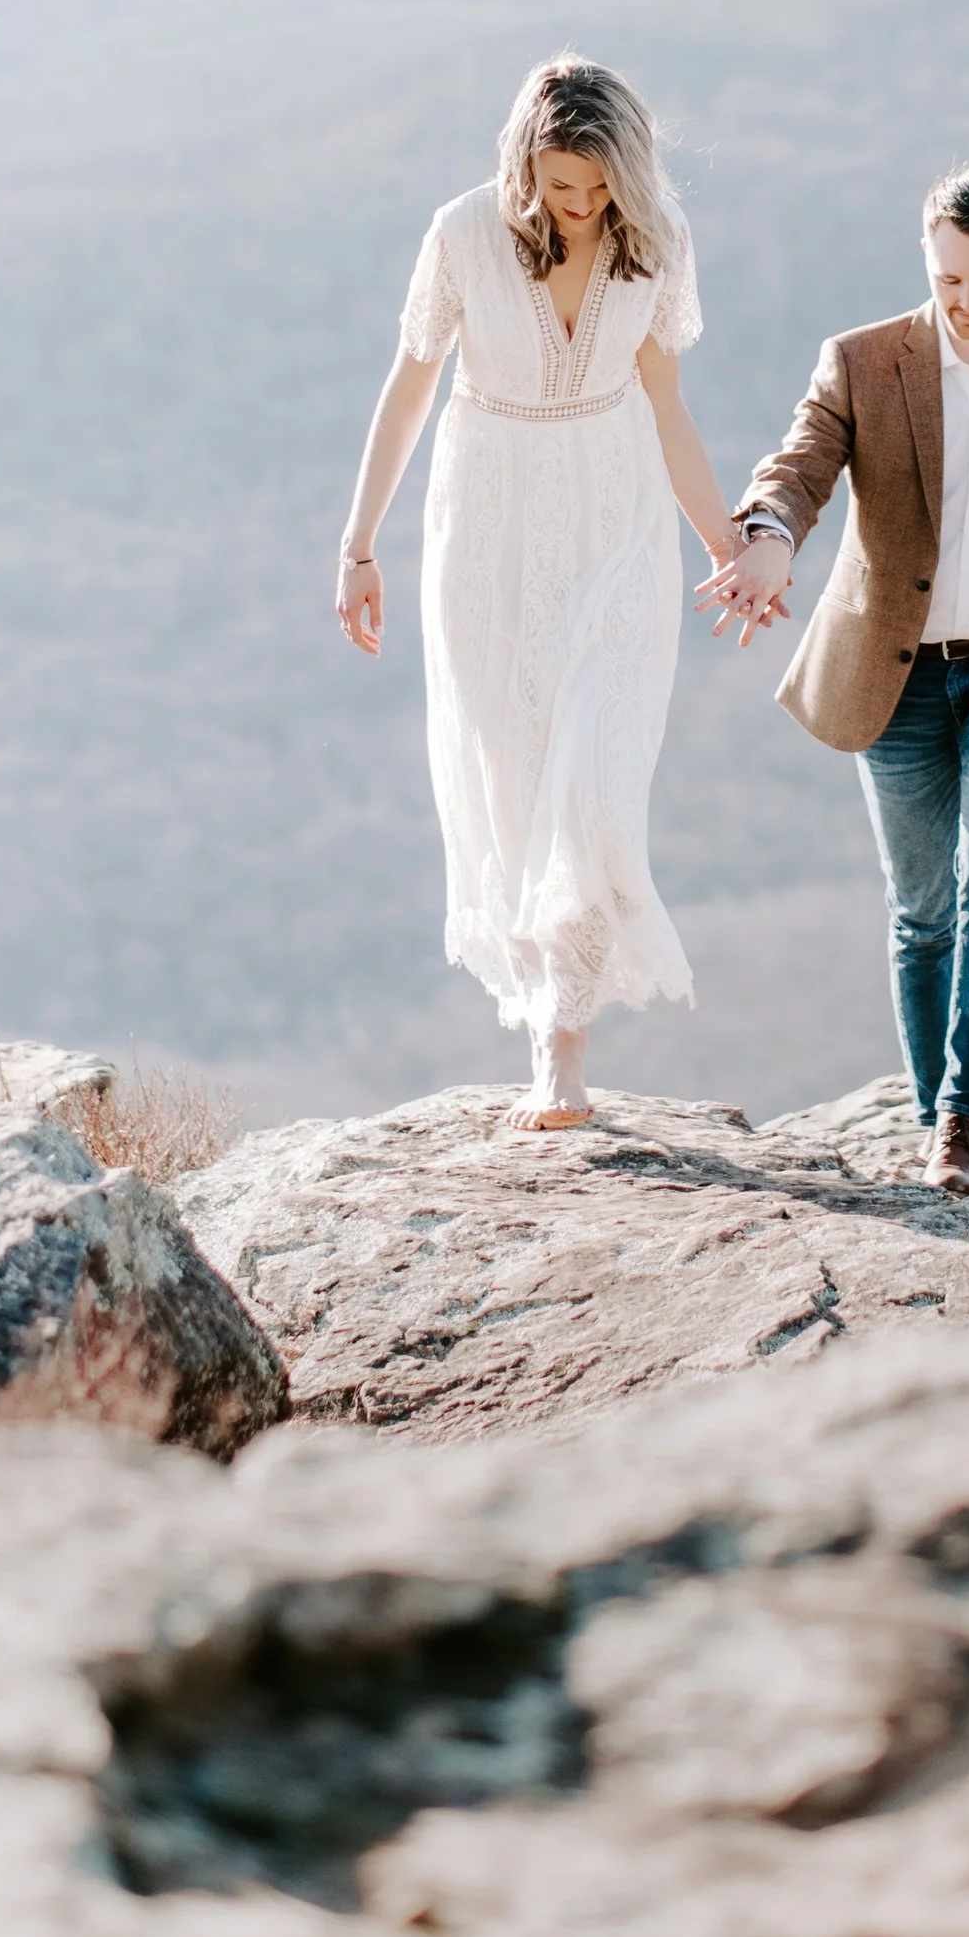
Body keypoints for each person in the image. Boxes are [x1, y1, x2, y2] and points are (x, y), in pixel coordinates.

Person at [699, 165, 969, 1193]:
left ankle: (964, 1122)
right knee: (923, 909)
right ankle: (932, 1109)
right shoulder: (861, 362)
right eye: (948, 281)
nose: (967, 303)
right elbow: (797, 465)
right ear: (925, 261)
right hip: (896, 677)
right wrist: (765, 537)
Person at [335, 56, 739, 1133]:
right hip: (488, 536)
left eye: (602, 184)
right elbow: (410, 384)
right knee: (516, 786)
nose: (584, 202)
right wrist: (358, 542)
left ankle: (568, 1049)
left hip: (618, 527)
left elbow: (668, 408)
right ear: (525, 161)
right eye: (565, 181)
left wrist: (728, 543)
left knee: (595, 788)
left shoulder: (656, 239)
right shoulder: (462, 233)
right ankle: (544, 1049)